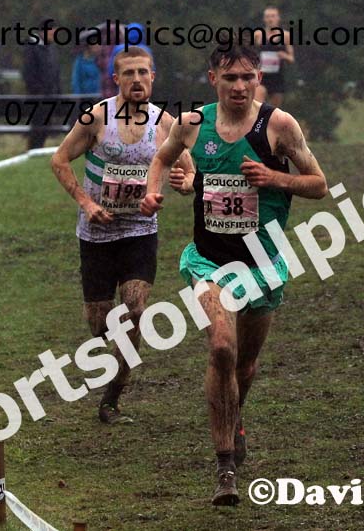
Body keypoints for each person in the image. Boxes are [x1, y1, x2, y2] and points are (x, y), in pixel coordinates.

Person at [140, 43, 327, 505]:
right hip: (209, 260)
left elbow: (319, 185)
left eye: (248, 78)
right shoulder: (192, 124)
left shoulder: (279, 126)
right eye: (230, 79)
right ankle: (225, 467)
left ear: (258, 79)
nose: (240, 87)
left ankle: (233, 416)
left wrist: (276, 179)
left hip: (262, 264)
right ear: (213, 81)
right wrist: (155, 191)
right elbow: (163, 158)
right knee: (222, 346)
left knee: (244, 364)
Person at [50, 48, 194, 424]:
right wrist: (86, 203)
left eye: (143, 72)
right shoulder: (96, 117)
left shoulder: (166, 123)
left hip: (139, 231)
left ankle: (111, 400)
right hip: (96, 234)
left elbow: (189, 174)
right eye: (128, 73)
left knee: (133, 311)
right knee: (99, 328)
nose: (136, 79)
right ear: (116, 79)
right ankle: (105, 340)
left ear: (153, 76)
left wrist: (183, 182)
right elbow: (59, 159)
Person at [23, 19, 61, 149]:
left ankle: (37, 150)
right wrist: (39, 91)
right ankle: (34, 150)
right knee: (38, 128)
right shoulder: (33, 48)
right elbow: (29, 73)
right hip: (38, 97)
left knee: (45, 128)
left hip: (51, 96)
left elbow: (55, 72)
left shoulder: (50, 48)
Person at [254, 6, 295, 107]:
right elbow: (249, 52)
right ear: (264, 19)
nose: (270, 19)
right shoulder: (258, 35)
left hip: (277, 78)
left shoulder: (285, 36)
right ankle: (257, 122)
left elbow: (291, 58)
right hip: (261, 76)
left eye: (273, 16)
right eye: (267, 16)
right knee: (257, 107)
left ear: (278, 18)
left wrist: (284, 56)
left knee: (274, 112)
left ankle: (269, 122)